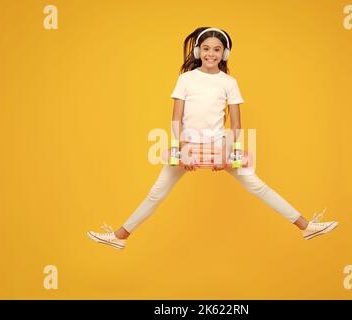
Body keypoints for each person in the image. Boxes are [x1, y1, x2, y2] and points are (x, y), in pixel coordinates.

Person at [87, 27, 338, 250]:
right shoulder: (186, 79)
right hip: (188, 145)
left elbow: (236, 123)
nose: (211, 54)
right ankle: (120, 236)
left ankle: (306, 227)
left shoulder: (229, 82)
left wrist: (228, 153)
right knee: (156, 194)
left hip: (220, 145)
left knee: (258, 186)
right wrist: (181, 149)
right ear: (198, 51)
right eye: (206, 48)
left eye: (217, 49)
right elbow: (176, 118)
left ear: (224, 53)